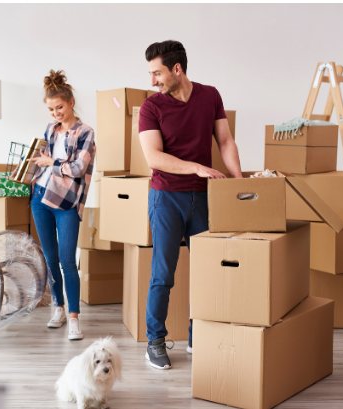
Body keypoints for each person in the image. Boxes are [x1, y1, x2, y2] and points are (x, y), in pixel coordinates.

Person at [138, 40, 243, 369]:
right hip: (166, 197)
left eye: (157, 73)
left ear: (177, 69)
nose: (153, 80)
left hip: (204, 199)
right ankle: (155, 341)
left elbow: (224, 140)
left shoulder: (210, 95)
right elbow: (153, 157)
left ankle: (199, 335)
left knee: (207, 271)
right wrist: (197, 166)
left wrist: (240, 182)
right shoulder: (151, 107)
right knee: (163, 274)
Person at [27, 69, 96, 339]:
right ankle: (58, 307)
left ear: (70, 103)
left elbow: (78, 168)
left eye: (59, 107)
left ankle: (75, 318)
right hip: (40, 198)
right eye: (51, 109)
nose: (55, 113)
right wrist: (26, 173)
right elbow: (42, 161)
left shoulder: (85, 132)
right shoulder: (50, 130)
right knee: (50, 258)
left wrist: (52, 163)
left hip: (66, 202)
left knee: (68, 260)